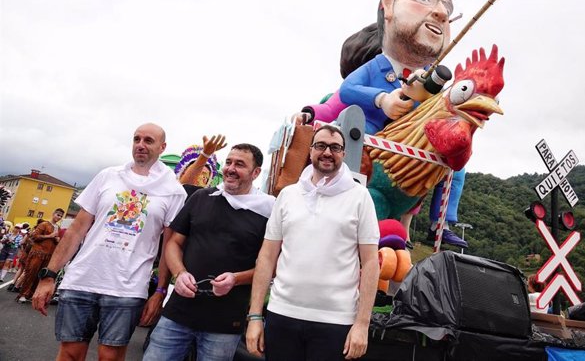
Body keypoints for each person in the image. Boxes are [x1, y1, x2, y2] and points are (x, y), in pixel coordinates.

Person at [301, 0, 468, 247]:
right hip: (368, 143)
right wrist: (383, 100)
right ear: (388, 6)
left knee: (455, 161)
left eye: (448, 8)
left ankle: (441, 222)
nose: (441, 14)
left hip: (405, 169)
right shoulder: (378, 66)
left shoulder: (428, 79)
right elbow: (349, 90)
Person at [32, 122, 187, 361]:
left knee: (110, 357)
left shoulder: (173, 191)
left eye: (148, 141)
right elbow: (76, 230)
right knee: (70, 354)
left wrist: (159, 291)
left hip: (127, 288)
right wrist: (49, 276)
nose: (141, 145)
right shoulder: (108, 176)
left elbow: (169, 245)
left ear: (162, 147)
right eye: (136, 139)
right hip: (82, 280)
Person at [246, 124, 380, 360]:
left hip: (336, 321)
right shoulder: (288, 195)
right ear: (310, 151)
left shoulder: (360, 197)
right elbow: (267, 256)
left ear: (343, 154)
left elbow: (370, 263)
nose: (327, 152)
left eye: (335, 147)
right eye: (320, 146)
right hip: (282, 314)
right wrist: (255, 316)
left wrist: (362, 324)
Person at [144, 143, 275, 361]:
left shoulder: (269, 210)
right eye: (229, 162)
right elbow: (173, 243)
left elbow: (272, 265)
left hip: (224, 323)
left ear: (256, 173)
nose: (231, 168)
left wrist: (236, 279)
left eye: (240, 164)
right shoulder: (202, 198)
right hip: (177, 313)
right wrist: (180, 273)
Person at [16, 209, 64, 303]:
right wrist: (50, 236)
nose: (59, 217)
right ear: (53, 214)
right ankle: (23, 294)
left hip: (48, 256)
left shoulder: (58, 228)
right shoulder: (44, 224)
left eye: (61, 216)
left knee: (40, 276)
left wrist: (57, 240)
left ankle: (30, 295)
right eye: (58, 215)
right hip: (37, 253)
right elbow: (34, 236)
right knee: (31, 274)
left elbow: (55, 241)